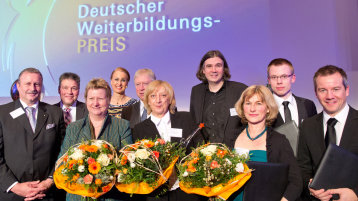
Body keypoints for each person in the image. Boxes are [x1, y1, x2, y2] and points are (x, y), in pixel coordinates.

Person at [58, 78, 133, 201]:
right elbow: (62, 163)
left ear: (109, 100)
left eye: (101, 99)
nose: (95, 103)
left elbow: (128, 164)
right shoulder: (73, 127)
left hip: (111, 197)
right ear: (86, 100)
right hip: (78, 197)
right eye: (91, 99)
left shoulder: (122, 126)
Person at [132, 80, 205, 201]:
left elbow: (200, 148)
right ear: (148, 101)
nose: (158, 100)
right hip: (156, 194)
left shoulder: (186, 118)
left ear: (170, 99)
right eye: (153, 96)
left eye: (163, 95)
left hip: (187, 191)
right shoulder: (139, 129)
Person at [0, 68, 66, 201]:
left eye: (37, 84)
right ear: (18, 86)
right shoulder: (2, 113)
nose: (33, 88)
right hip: (12, 195)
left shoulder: (55, 113)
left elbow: (63, 152)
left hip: (47, 193)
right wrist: (15, 186)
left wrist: (49, 181)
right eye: (28, 84)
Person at [297, 65, 358, 201]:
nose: (329, 96)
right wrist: (310, 187)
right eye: (323, 90)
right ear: (316, 93)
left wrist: (356, 194)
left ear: (347, 90)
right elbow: (302, 168)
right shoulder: (307, 125)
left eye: (336, 89)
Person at [232, 85, 302, 201]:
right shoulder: (231, 138)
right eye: (248, 103)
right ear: (242, 107)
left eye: (259, 103)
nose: (252, 109)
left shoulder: (279, 141)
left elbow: (296, 182)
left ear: (268, 108)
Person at [190, 50, 247, 146]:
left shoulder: (240, 90)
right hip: (204, 155)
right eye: (209, 66)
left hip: (234, 154)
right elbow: (193, 124)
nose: (214, 70)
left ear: (224, 69)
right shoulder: (196, 91)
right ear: (203, 70)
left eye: (218, 65)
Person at [267, 58, 317, 128]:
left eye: (284, 76)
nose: (279, 81)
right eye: (274, 77)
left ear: (293, 78)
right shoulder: (263, 107)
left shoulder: (308, 105)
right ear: (269, 80)